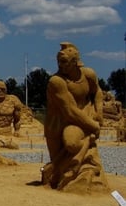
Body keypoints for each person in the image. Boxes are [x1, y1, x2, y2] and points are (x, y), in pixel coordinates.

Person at [43, 42, 105, 189]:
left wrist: (99, 113)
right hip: (58, 123)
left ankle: (86, 169)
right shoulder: (56, 81)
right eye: (58, 62)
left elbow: (97, 92)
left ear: (75, 61)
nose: (60, 65)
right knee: (57, 165)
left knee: (71, 143)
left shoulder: (88, 74)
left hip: (82, 115)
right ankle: (58, 180)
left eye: (64, 62)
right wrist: (93, 126)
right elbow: (69, 110)